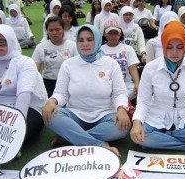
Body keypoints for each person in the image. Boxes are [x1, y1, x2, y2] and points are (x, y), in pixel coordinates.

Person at [130, 21, 185, 153]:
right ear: (164, 45)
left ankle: (163, 140)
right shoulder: (151, 68)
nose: (174, 52)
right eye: (170, 47)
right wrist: (137, 122)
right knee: (140, 137)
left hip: (184, 118)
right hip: (156, 117)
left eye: (179, 47)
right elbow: (143, 101)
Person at [42, 24, 130, 156]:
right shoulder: (68, 64)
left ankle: (70, 137)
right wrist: (52, 101)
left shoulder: (111, 64)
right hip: (75, 114)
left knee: (122, 127)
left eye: (89, 39)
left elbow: (120, 93)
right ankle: (98, 144)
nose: (85, 44)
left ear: (98, 40)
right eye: (81, 40)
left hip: (104, 114)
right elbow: (61, 93)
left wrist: (122, 109)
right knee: (52, 116)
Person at [32, 16, 77, 97]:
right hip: (47, 84)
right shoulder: (41, 47)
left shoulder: (72, 46)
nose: (54, 33)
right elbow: (34, 69)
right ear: (47, 31)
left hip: (68, 83)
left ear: (63, 30)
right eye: (51, 30)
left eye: (57, 29)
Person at [101, 20, 140, 101]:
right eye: (110, 33)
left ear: (120, 34)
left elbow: (132, 68)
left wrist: (137, 83)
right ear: (105, 34)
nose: (113, 36)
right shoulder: (100, 50)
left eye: (115, 33)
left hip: (126, 85)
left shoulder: (128, 49)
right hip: (106, 86)